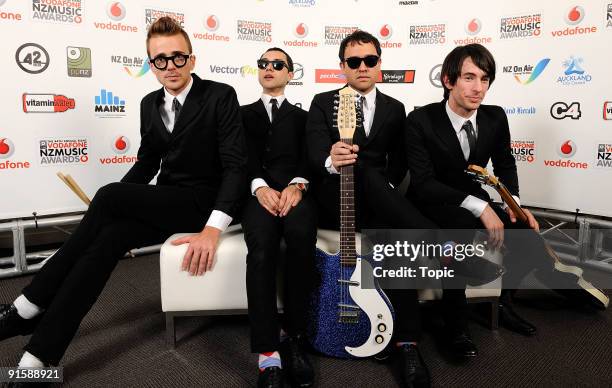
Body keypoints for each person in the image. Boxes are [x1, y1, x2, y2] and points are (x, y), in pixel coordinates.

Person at [0, 16, 247, 373]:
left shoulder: (220, 95)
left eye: (178, 57)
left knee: (108, 196)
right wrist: (116, 206)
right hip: (167, 202)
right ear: (151, 66)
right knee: (107, 239)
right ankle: (41, 355)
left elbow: (237, 167)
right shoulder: (149, 104)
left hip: (204, 205)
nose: (170, 66)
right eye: (160, 60)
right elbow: (147, 164)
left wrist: (213, 228)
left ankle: (28, 304)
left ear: (192, 59)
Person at [404, 43, 606, 340]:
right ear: (448, 81)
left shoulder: (495, 117)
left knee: (526, 233)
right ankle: (455, 324)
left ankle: (502, 303)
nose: (479, 88)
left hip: (471, 198)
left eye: (484, 80)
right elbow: (423, 182)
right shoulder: (420, 120)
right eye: (469, 78)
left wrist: (514, 203)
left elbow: (505, 164)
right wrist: (481, 207)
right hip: (433, 201)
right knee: (459, 228)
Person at [306, 30, 437, 388]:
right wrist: (332, 160)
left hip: (378, 203)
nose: (362, 67)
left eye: (370, 60)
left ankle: (408, 344)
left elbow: (399, 163)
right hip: (335, 199)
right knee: (358, 165)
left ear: (380, 64)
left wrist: (385, 190)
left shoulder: (395, 108)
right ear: (342, 67)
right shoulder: (322, 102)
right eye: (354, 61)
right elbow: (314, 151)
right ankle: (433, 237)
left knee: (393, 238)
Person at [240, 47, 317, 388]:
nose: (268, 68)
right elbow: (236, 158)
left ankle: (296, 337)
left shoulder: (304, 118)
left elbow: (312, 157)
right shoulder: (240, 114)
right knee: (261, 246)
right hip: (257, 196)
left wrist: (297, 186)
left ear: (290, 73)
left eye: (277, 64)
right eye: (263, 64)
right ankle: (268, 353)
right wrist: (258, 187)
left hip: (295, 194)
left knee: (302, 238)